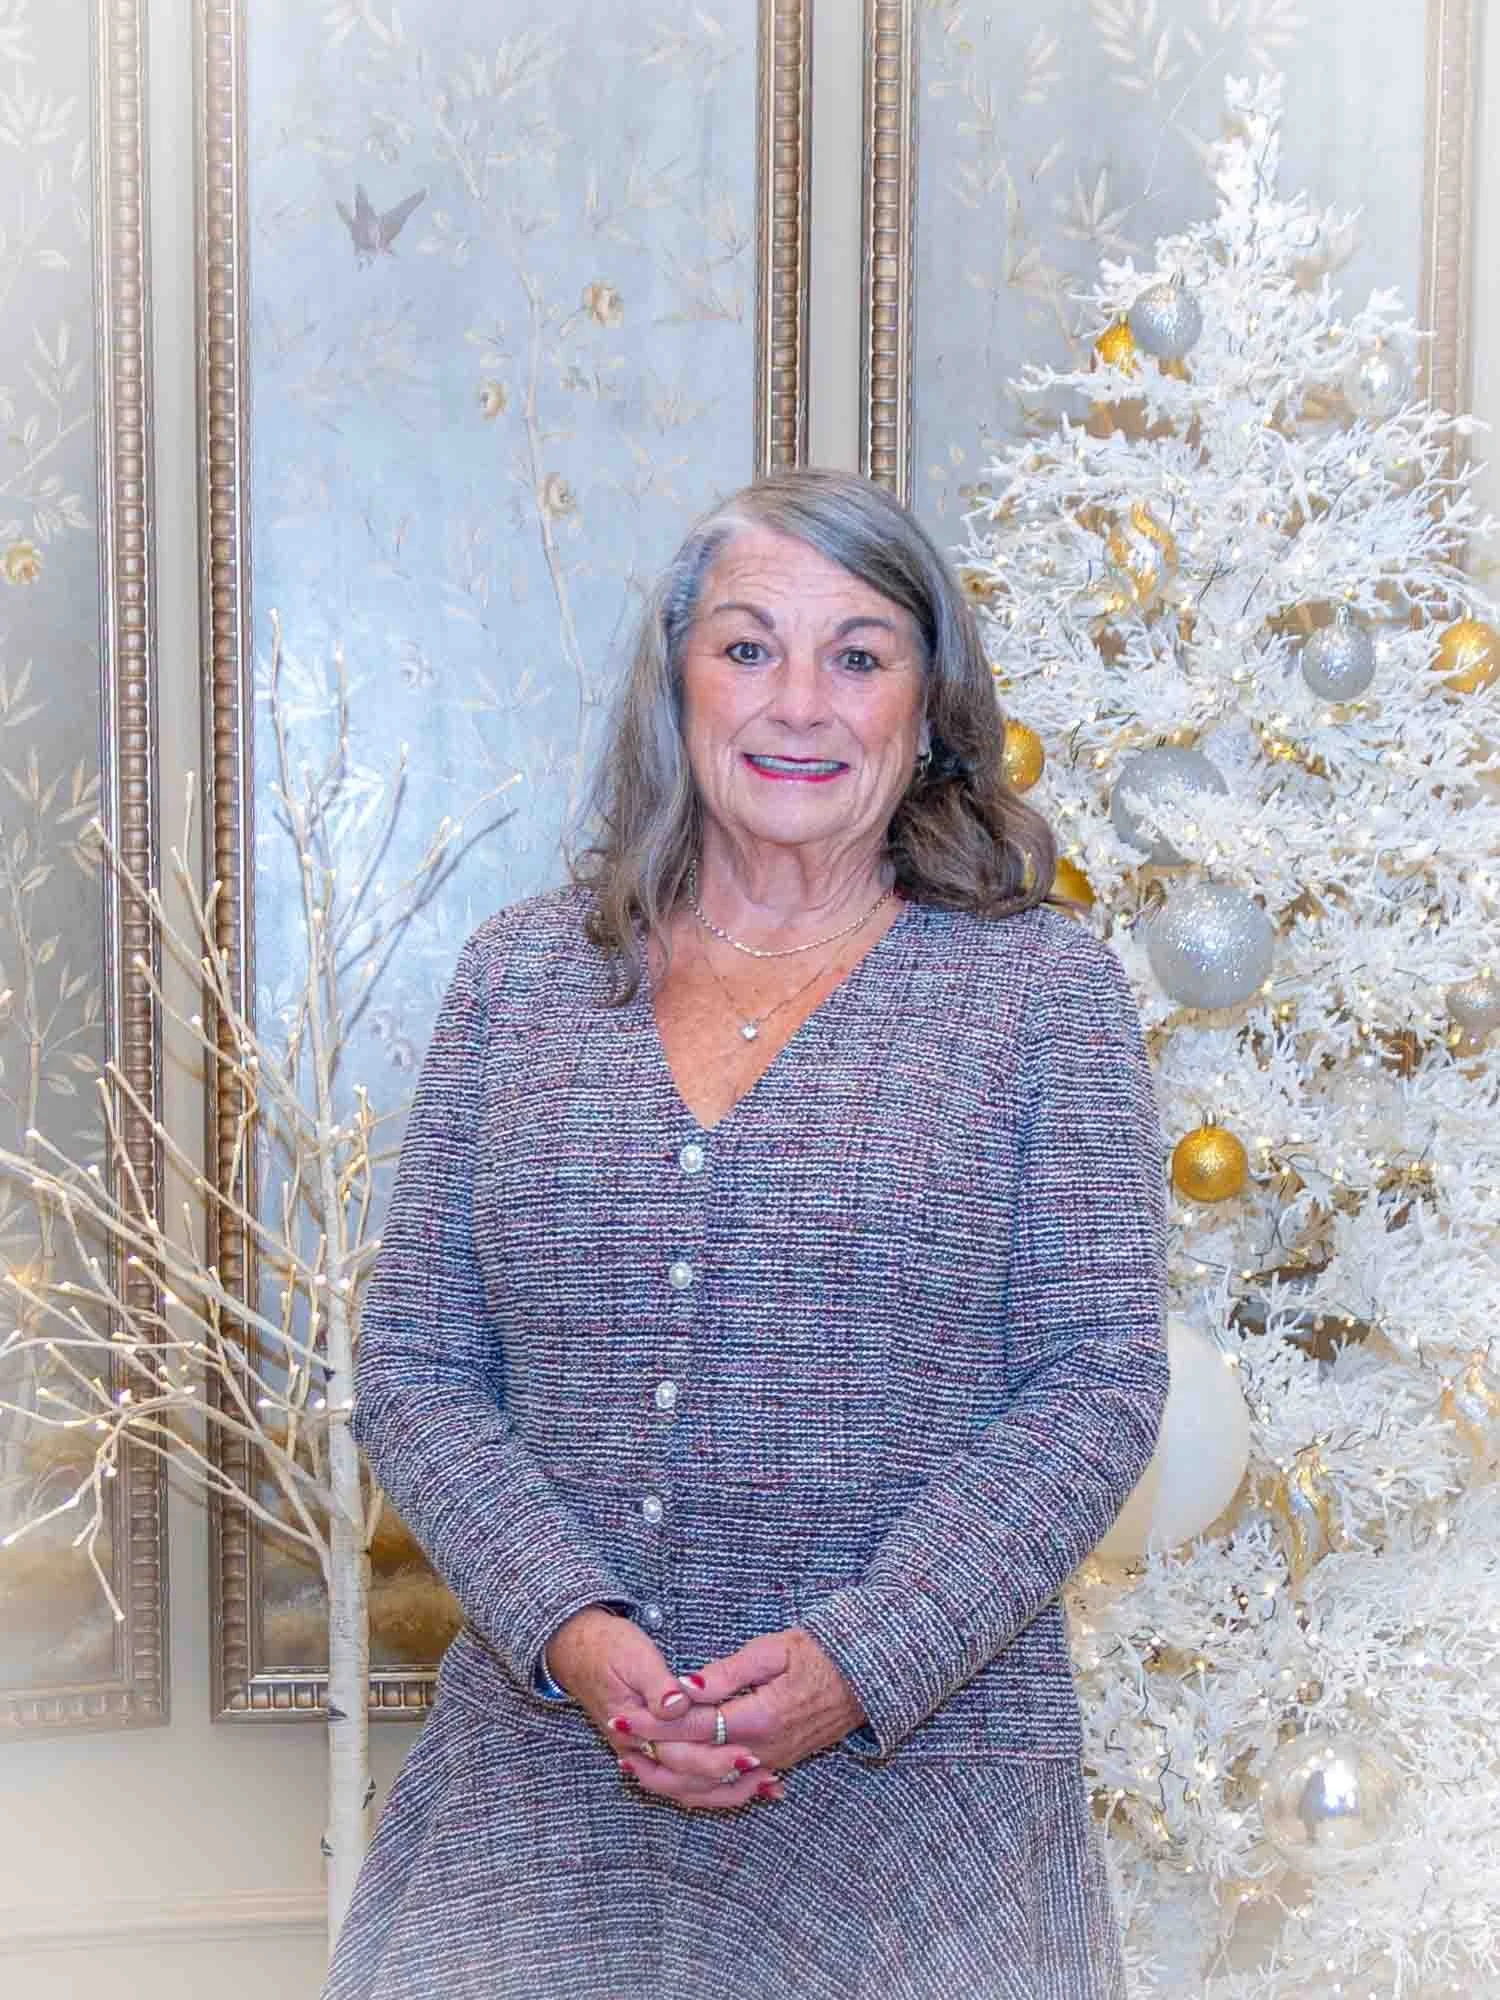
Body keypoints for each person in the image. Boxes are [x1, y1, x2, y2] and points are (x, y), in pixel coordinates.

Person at [322, 467, 1170, 2000]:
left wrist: (861, 1662)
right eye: (748, 646)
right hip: (541, 1809)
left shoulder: (1042, 996)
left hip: (919, 1825)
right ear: (677, 682)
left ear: (927, 703)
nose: (799, 703)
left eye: (858, 654)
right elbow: (422, 1367)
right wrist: (571, 1632)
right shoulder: (521, 982)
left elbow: (1095, 1385)